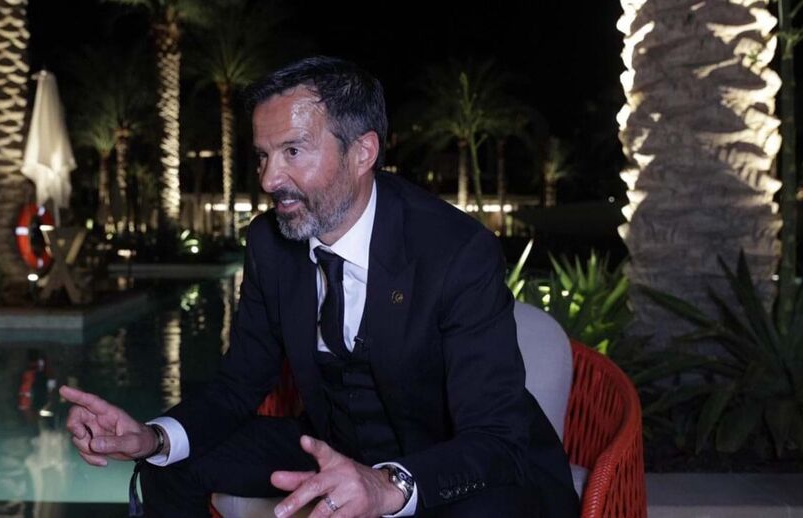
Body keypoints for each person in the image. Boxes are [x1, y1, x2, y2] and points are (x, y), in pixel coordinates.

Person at [62, 56, 578, 518]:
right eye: (263, 155)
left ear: (363, 152)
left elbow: (496, 438)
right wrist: (153, 437)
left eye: (292, 150)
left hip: (451, 461)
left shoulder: (455, 251)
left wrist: (387, 486)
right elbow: (239, 384)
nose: (269, 179)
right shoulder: (270, 243)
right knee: (168, 464)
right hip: (334, 446)